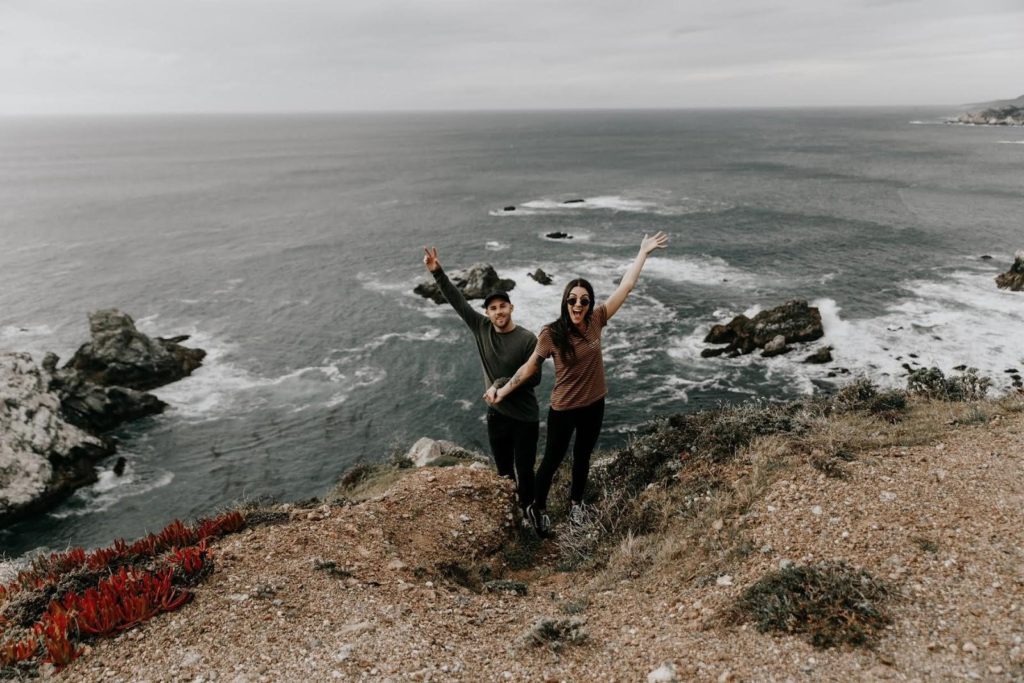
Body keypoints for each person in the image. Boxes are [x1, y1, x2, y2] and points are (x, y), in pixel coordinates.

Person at [486, 232, 669, 537]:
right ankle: (538, 508)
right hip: (565, 408)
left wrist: (643, 254)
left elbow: (626, 286)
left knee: (583, 456)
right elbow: (529, 367)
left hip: (595, 403)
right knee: (553, 461)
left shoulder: (597, 319)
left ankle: (576, 506)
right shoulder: (551, 333)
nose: (578, 304)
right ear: (565, 302)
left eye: (584, 300)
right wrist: (501, 391)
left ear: (590, 303)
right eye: (572, 299)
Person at [422, 247, 541, 522]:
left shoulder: (528, 340)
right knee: (503, 472)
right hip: (497, 416)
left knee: (525, 471)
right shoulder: (480, 327)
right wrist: (437, 272)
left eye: (503, 306)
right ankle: (513, 519)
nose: (499, 312)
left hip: (524, 418)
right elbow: (457, 300)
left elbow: (534, 377)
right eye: (493, 308)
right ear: (487, 312)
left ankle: (532, 515)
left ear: (512, 307)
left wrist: (500, 382)